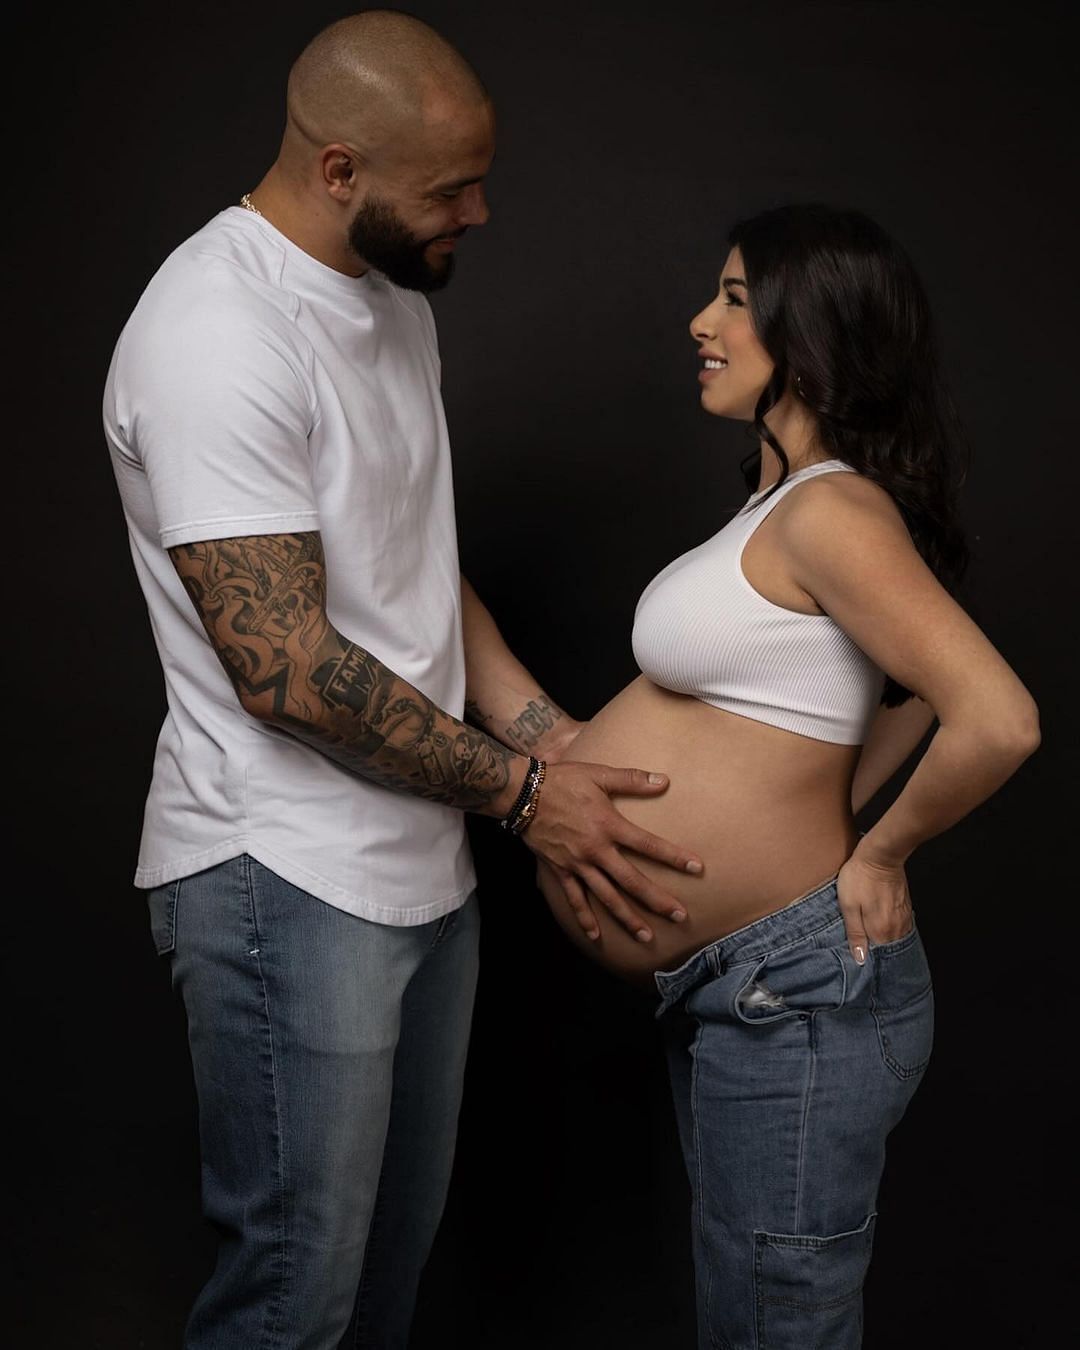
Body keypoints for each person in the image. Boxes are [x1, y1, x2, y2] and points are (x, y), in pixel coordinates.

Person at [102, 11, 702, 1348]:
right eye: (450, 189)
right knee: (290, 1298)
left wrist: (550, 733)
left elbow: (409, 559)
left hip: (420, 870)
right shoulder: (215, 329)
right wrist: (525, 794)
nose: (479, 213)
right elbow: (287, 666)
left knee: (378, 1293)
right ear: (337, 171)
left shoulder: (386, 296)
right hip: (282, 879)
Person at [537, 203, 1040, 1348]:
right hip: (746, 990)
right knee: (752, 1317)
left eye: (731, 296)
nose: (699, 322)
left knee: (776, 1326)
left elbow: (997, 718)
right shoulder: (782, 505)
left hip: (796, 994)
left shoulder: (833, 511)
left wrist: (875, 850)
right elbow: (894, 697)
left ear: (810, 328)